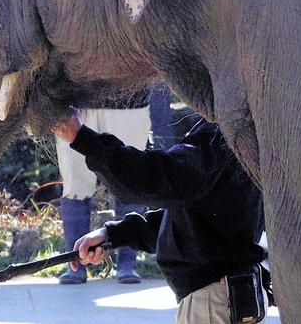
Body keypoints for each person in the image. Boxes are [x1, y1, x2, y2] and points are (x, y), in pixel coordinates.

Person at [53, 111, 267, 324]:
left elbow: (153, 179)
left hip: (217, 300)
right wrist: (113, 234)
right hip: (228, 295)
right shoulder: (238, 132)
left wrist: (82, 138)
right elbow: (190, 220)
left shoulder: (220, 136)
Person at [54, 107, 149, 284]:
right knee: (74, 185)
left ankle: (127, 265)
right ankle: (74, 264)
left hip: (128, 103)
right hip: (76, 101)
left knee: (131, 177)